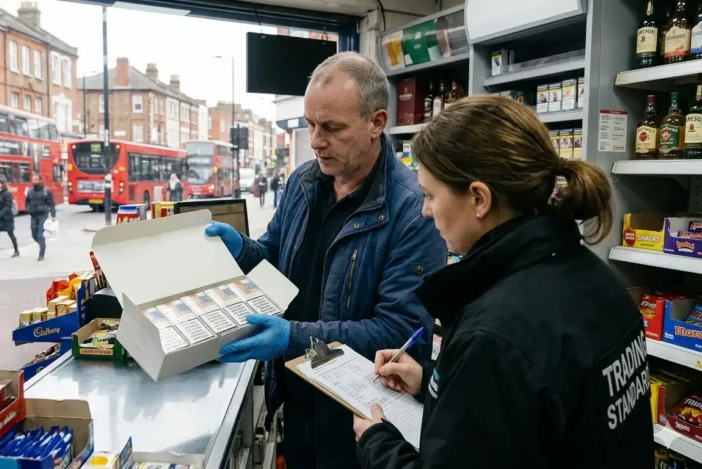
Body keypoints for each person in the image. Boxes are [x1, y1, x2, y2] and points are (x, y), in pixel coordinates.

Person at [352, 96, 653, 468]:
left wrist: (377, 443)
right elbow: (543, 402)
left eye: (430, 195)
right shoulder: (595, 276)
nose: (425, 210)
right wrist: (434, 381)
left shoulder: (495, 334)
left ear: (479, 198)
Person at [204, 52, 445, 469]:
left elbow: (400, 331)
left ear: (376, 123)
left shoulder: (412, 211)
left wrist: (293, 338)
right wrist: (244, 251)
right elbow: (278, 259)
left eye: (332, 128)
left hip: (360, 423)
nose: (315, 140)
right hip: (299, 401)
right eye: (311, 124)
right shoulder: (303, 181)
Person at [25, 174, 56, 261]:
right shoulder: (30, 191)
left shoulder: (46, 191)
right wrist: (28, 209)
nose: (34, 181)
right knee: (34, 234)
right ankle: (42, 245)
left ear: (40, 180)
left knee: (40, 234)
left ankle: (41, 253)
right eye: (33, 179)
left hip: (43, 214)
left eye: (36, 179)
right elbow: (27, 201)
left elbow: (51, 203)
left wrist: (53, 215)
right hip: (33, 215)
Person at [0, 175, 19, 259]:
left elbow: (7, 207)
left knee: (10, 233)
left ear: (2, 184)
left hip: (6, 218)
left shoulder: (7, 193)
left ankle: (16, 250)